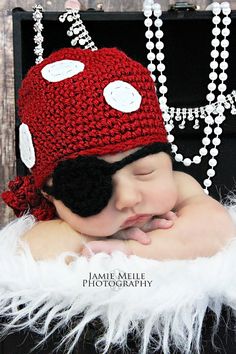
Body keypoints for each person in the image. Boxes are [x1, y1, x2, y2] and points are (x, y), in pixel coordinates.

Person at [1, 47, 235, 262]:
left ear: (167, 161)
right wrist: (94, 239)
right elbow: (27, 253)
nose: (128, 198)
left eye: (145, 172)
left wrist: (132, 250)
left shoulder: (180, 187)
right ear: (49, 194)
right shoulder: (55, 218)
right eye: (89, 184)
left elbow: (218, 229)